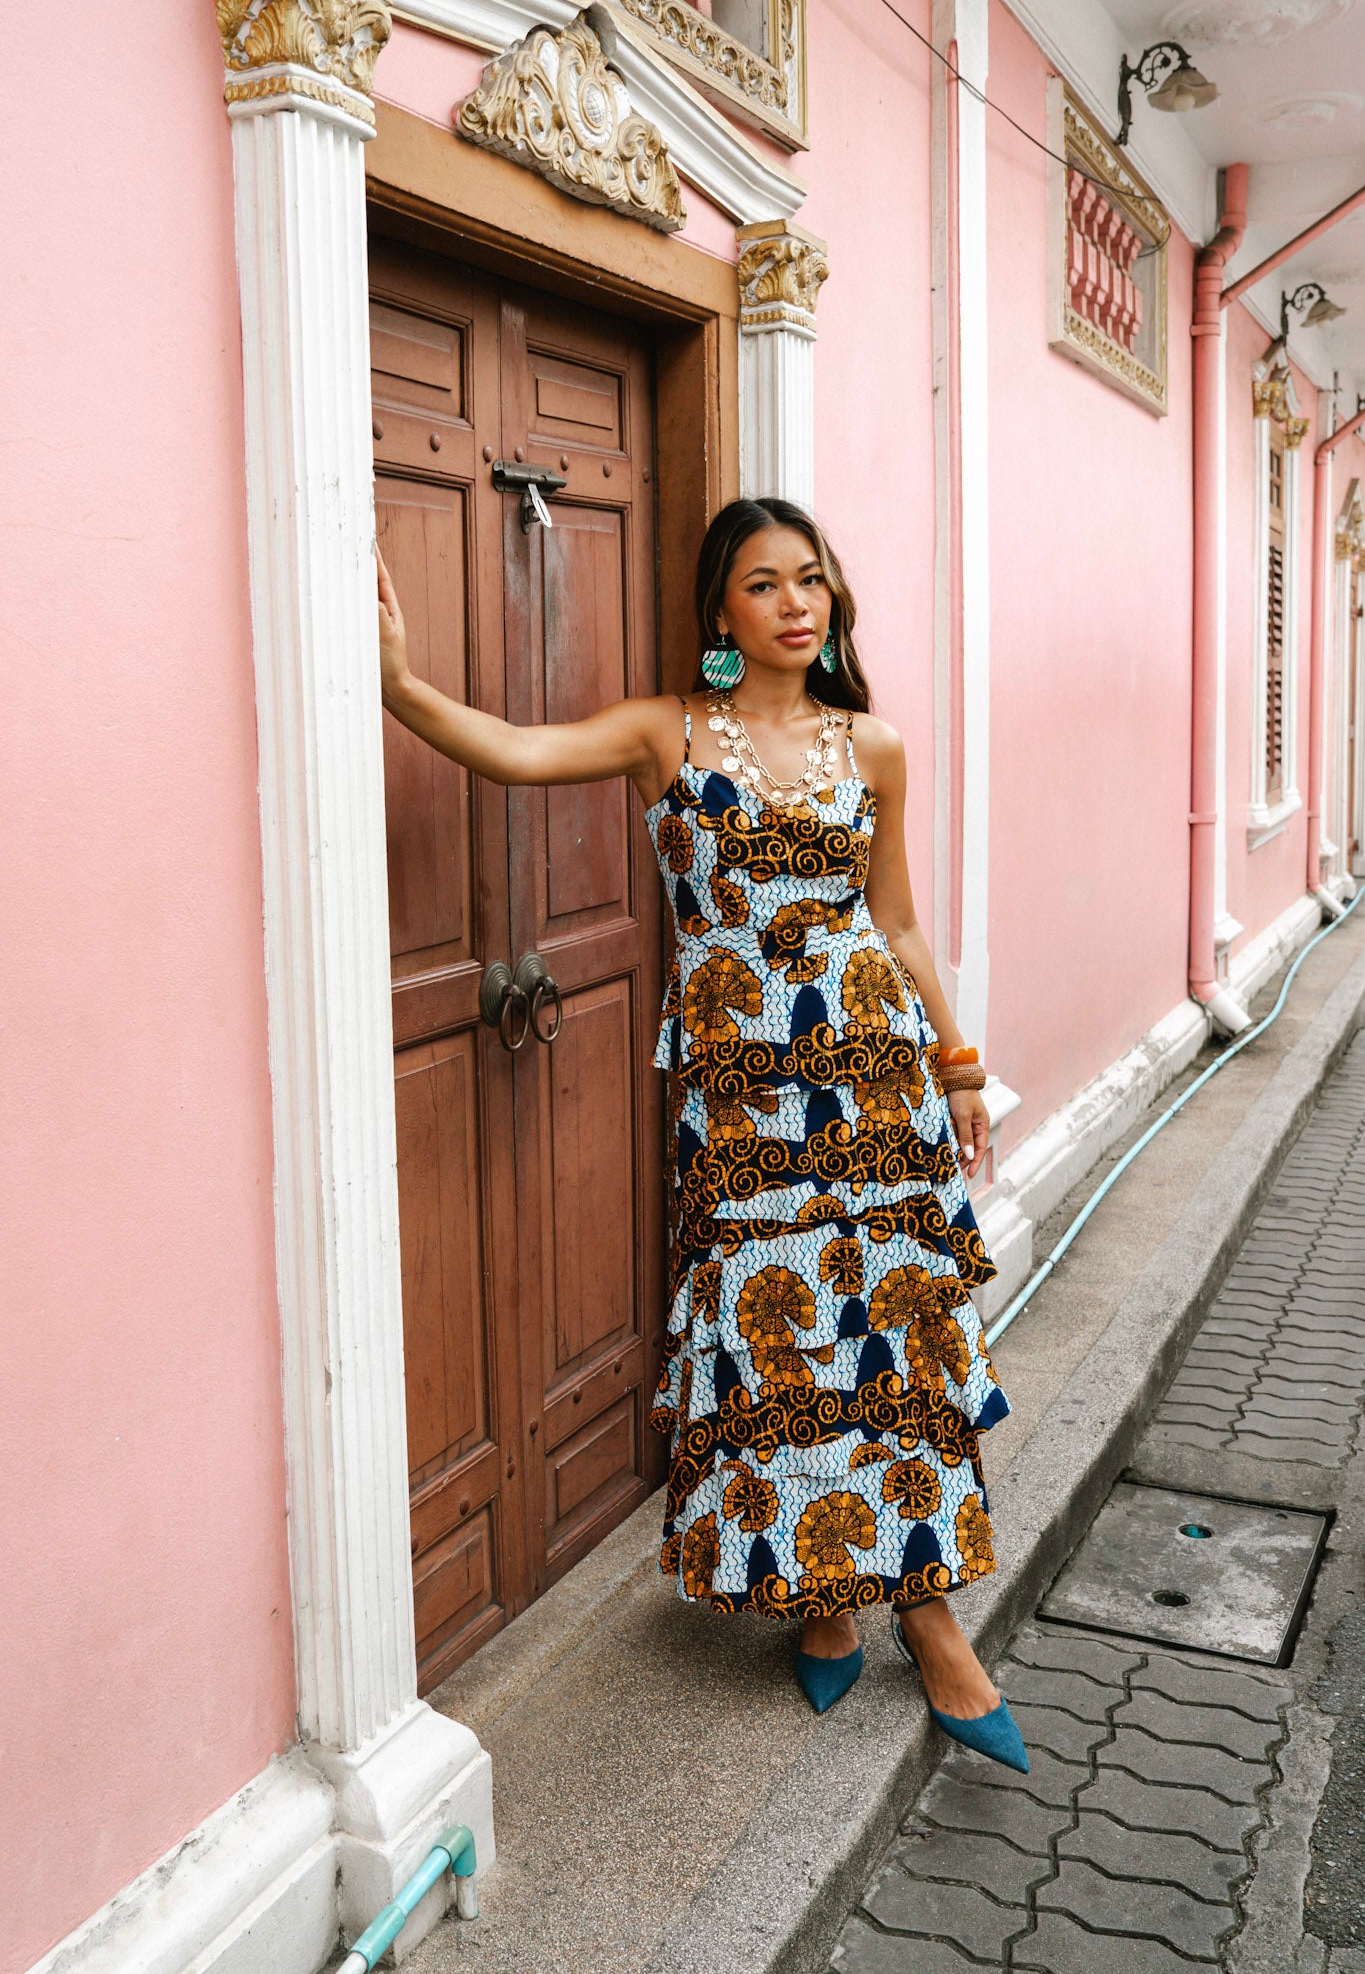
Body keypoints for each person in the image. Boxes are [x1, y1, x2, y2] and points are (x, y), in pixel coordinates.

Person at [377, 495, 1026, 1767]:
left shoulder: (872, 745)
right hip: (738, 1091)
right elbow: (511, 749)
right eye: (765, 582)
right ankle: (824, 1593)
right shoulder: (665, 730)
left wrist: (956, 1065)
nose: (798, 601)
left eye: (814, 579)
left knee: (889, 1324)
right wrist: (398, 684)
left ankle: (931, 1614)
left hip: (869, 1073)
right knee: (781, 1331)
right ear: (721, 611)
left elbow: (893, 924)